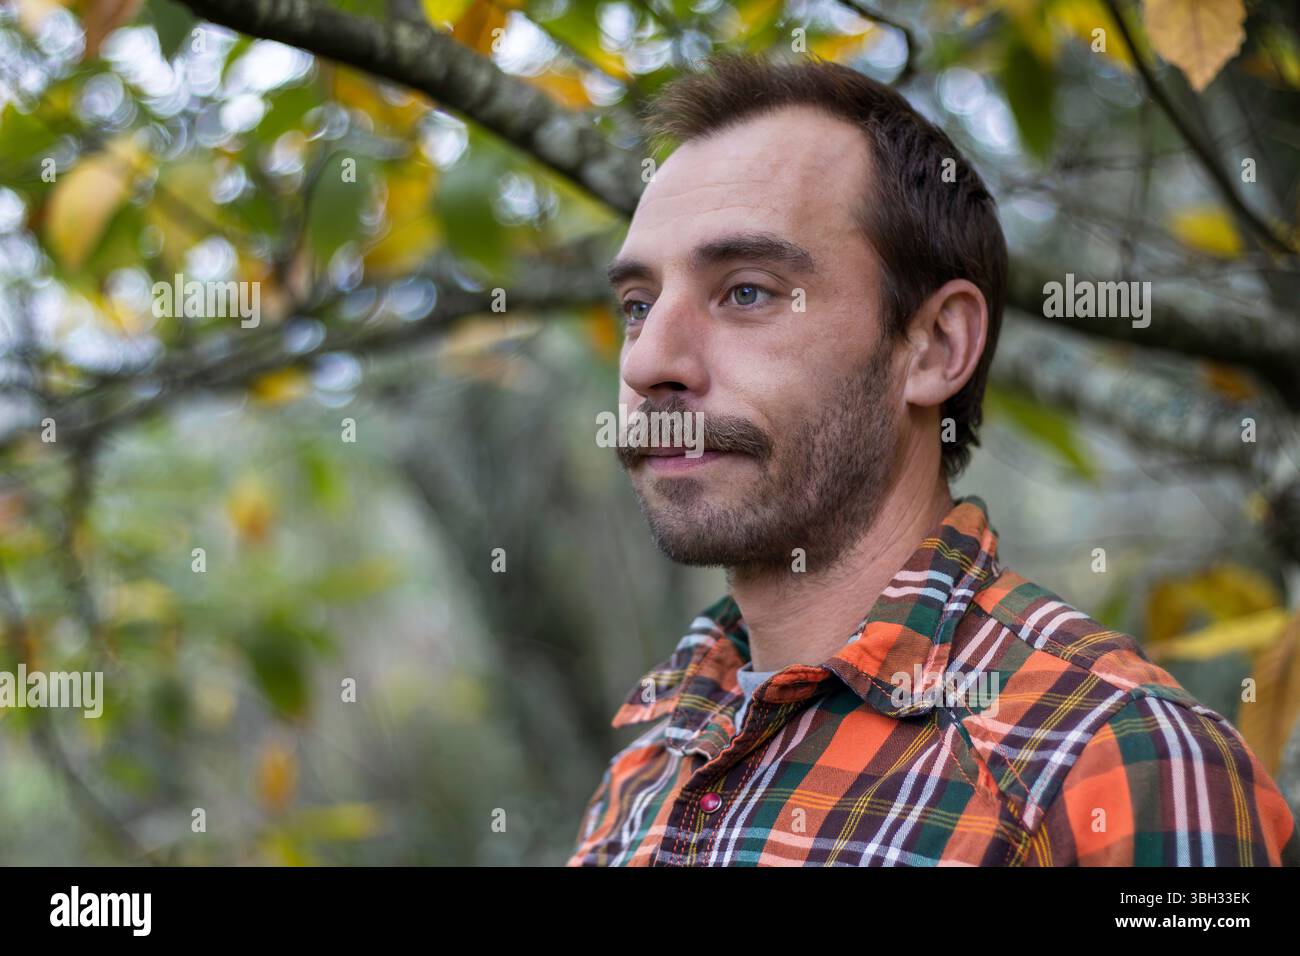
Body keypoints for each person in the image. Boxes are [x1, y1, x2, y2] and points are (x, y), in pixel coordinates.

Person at [567, 52, 1298, 866]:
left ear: (937, 346)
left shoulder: (1120, 760)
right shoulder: (662, 738)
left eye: (747, 291)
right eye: (638, 304)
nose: (645, 363)